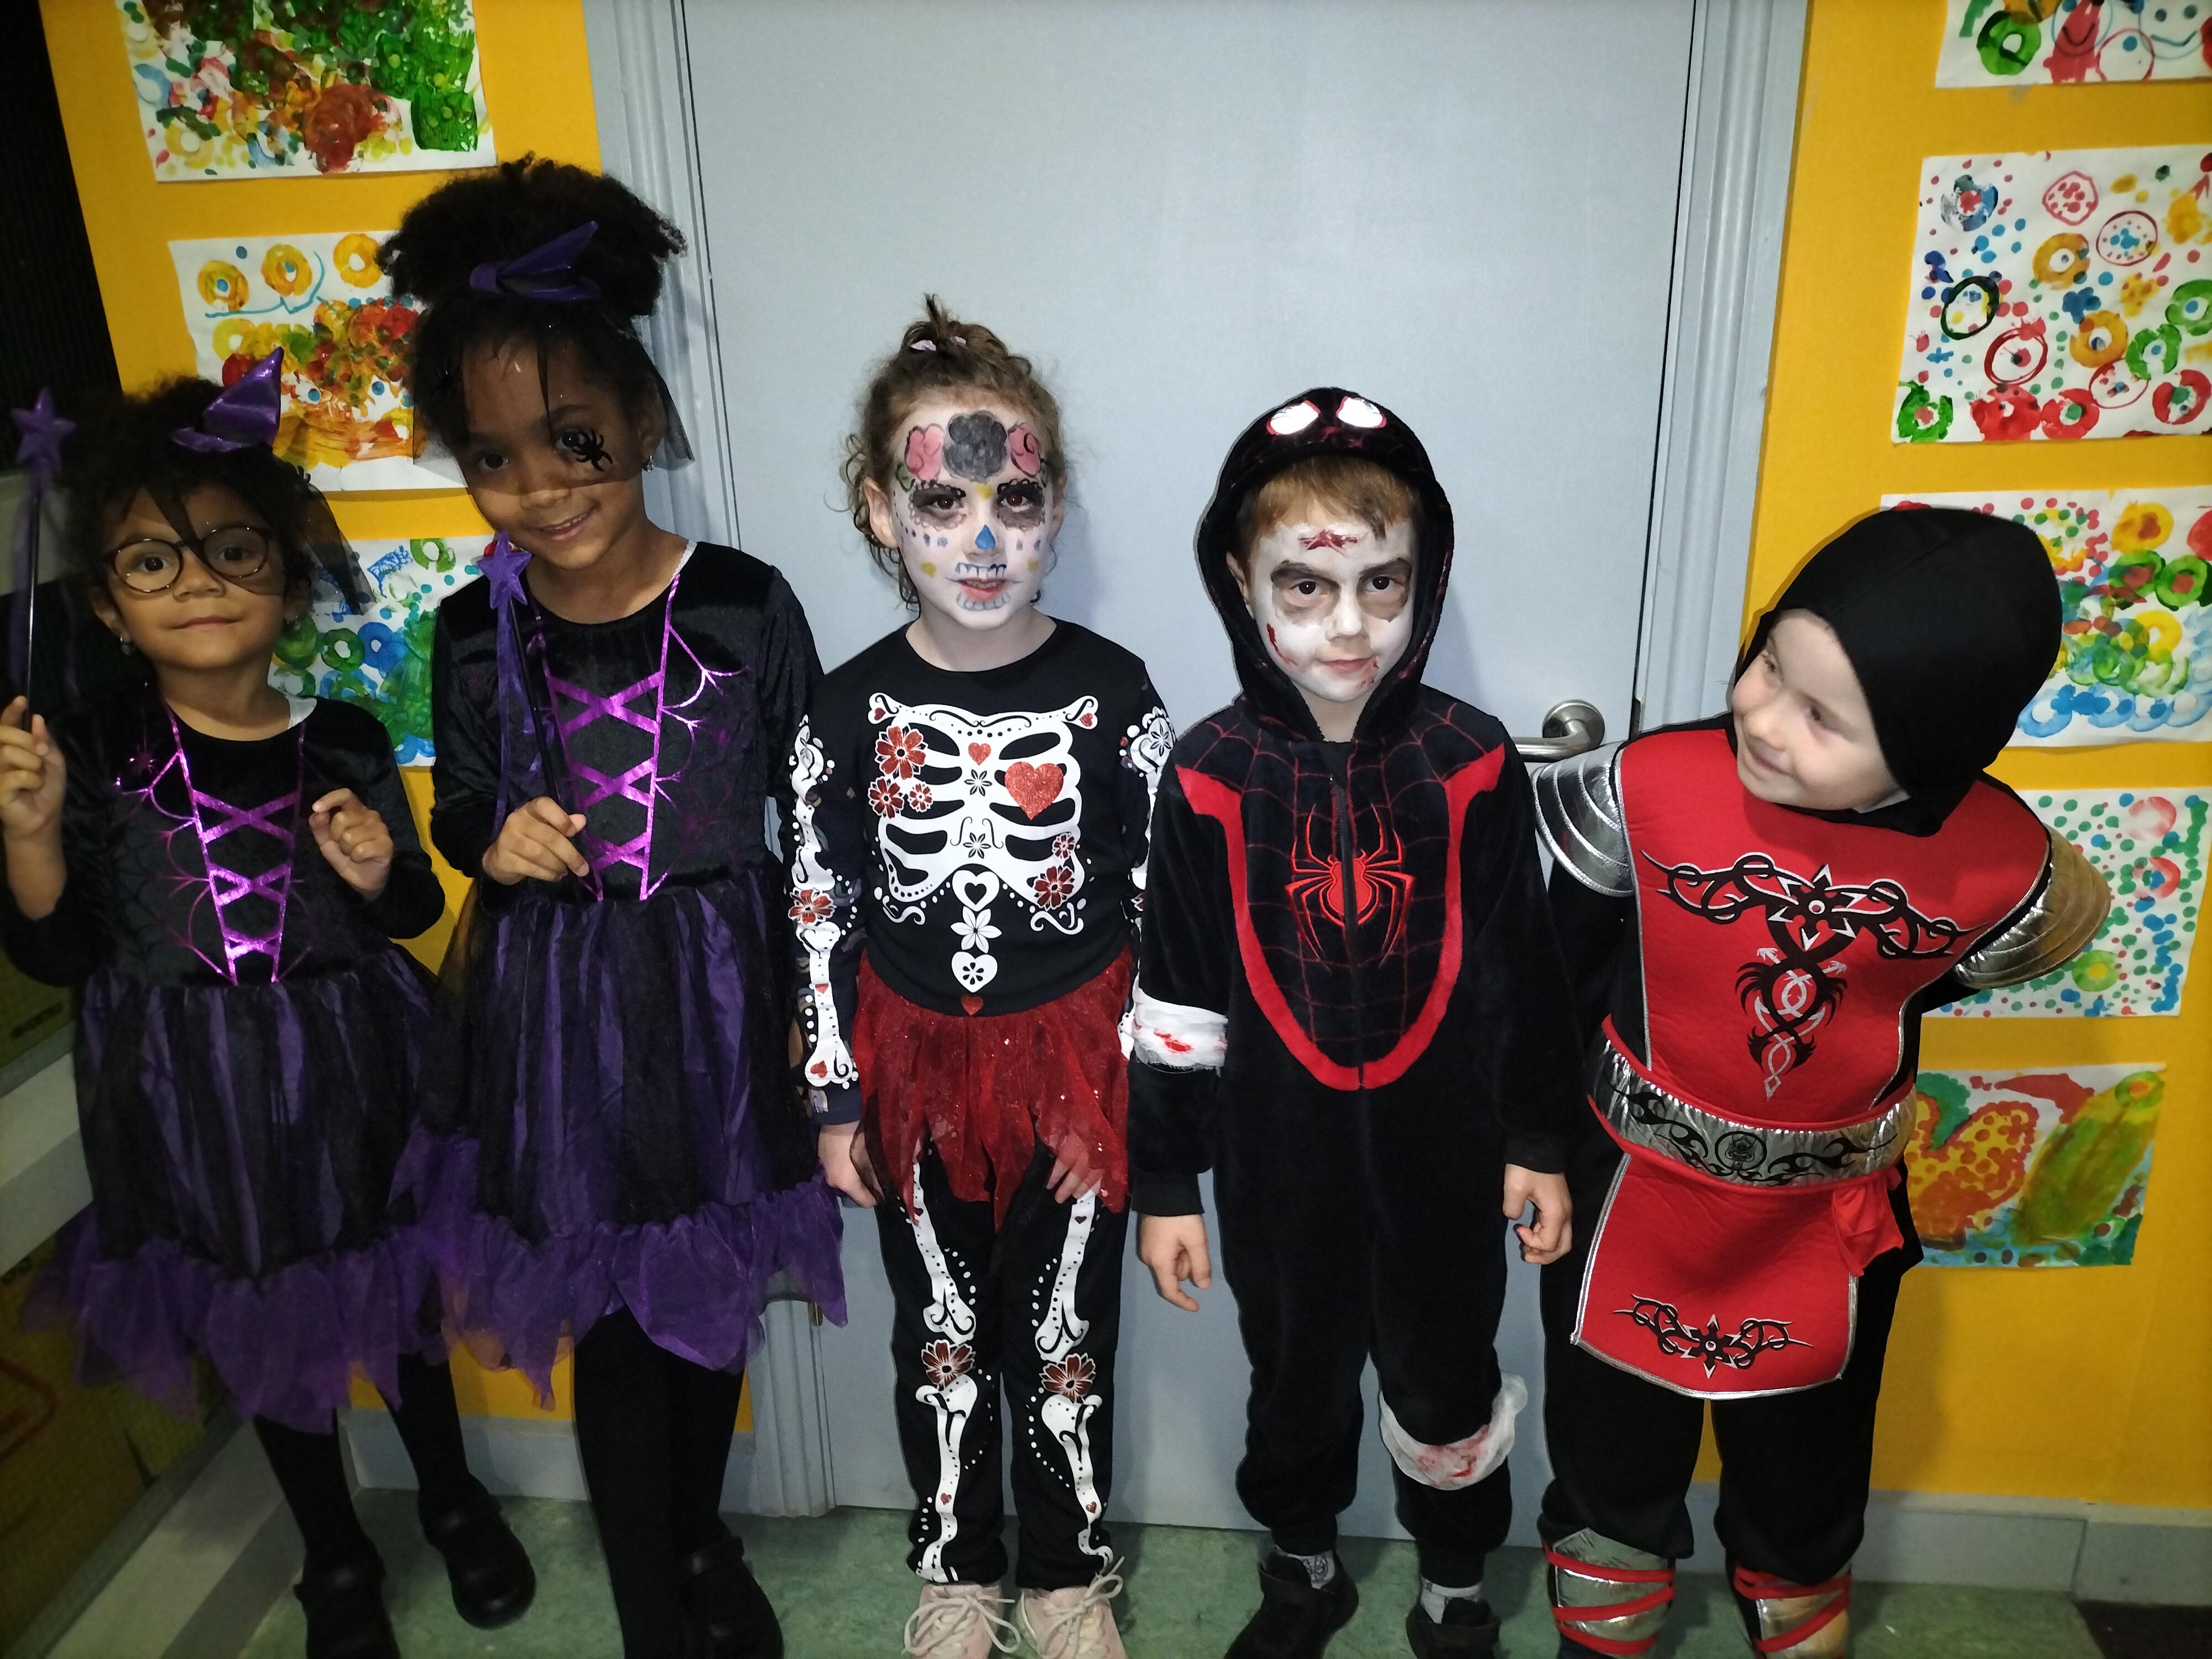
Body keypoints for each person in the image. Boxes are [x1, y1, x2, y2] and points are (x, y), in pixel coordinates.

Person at [379, 158, 842, 1659]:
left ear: (644, 420)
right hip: (556, 1012)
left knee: (708, 1286)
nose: (541, 487)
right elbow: (458, 807)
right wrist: (493, 839)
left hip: (717, 991)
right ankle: (654, 1614)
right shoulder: (475, 627)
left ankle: (700, 1538)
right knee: (614, 1317)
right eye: (494, 458)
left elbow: (814, 810)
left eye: (573, 439)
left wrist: (825, 1011)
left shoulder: (745, 601)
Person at [0, 367, 533, 1659]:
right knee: (263, 1319)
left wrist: (376, 871)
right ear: (110, 604)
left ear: (287, 582)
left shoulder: (340, 737)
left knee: (396, 1294)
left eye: (231, 551)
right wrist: (29, 836)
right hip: (188, 1092)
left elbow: (412, 910)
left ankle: (452, 1498)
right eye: (152, 561)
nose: (196, 583)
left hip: (354, 1066)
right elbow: (60, 949)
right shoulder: (95, 751)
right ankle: (333, 1549)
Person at [1529, 507, 2107, 1659]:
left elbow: (1919, 981)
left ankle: (1793, 1589)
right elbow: (1553, 985)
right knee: (1608, 1441)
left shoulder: (2007, 873)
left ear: (1936, 744)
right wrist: (1532, 1145)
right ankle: (1608, 1590)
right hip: (1628, 1194)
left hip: (1828, 1226)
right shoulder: (1643, 790)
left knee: (1810, 1453)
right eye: (1767, 666)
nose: (1760, 717)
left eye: (1822, 717)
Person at [1129, 389, 1584, 1659]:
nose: (1346, 625)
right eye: (1305, 586)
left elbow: (1520, 969)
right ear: (1241, 585)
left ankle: (1453, 1579)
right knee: (1292, 1375)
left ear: (1422, 581)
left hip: (1447, 1150)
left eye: (1381, 585)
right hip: (1274, 1157)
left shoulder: (1472, 760)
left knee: (1443, 1374)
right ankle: (1303, 1568)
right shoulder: (1208, 775)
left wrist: (1537, 1140)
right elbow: (1176, 996)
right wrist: (1164, 1180)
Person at [791, 298, 1171, 1659]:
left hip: (1078, 1064)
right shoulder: (844, 706)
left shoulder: (1115, 691)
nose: (984, 540)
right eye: (940, 503)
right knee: (939, 1331)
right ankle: (956, 1565)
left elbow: (1160, 905)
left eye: (1014, 499)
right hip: (910, 1068)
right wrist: (834, 1100)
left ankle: (1068, 1573)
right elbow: (818, 906)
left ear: (1054, 506)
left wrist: (1134, 1095)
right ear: (880, 512)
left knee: (1066, 1332)